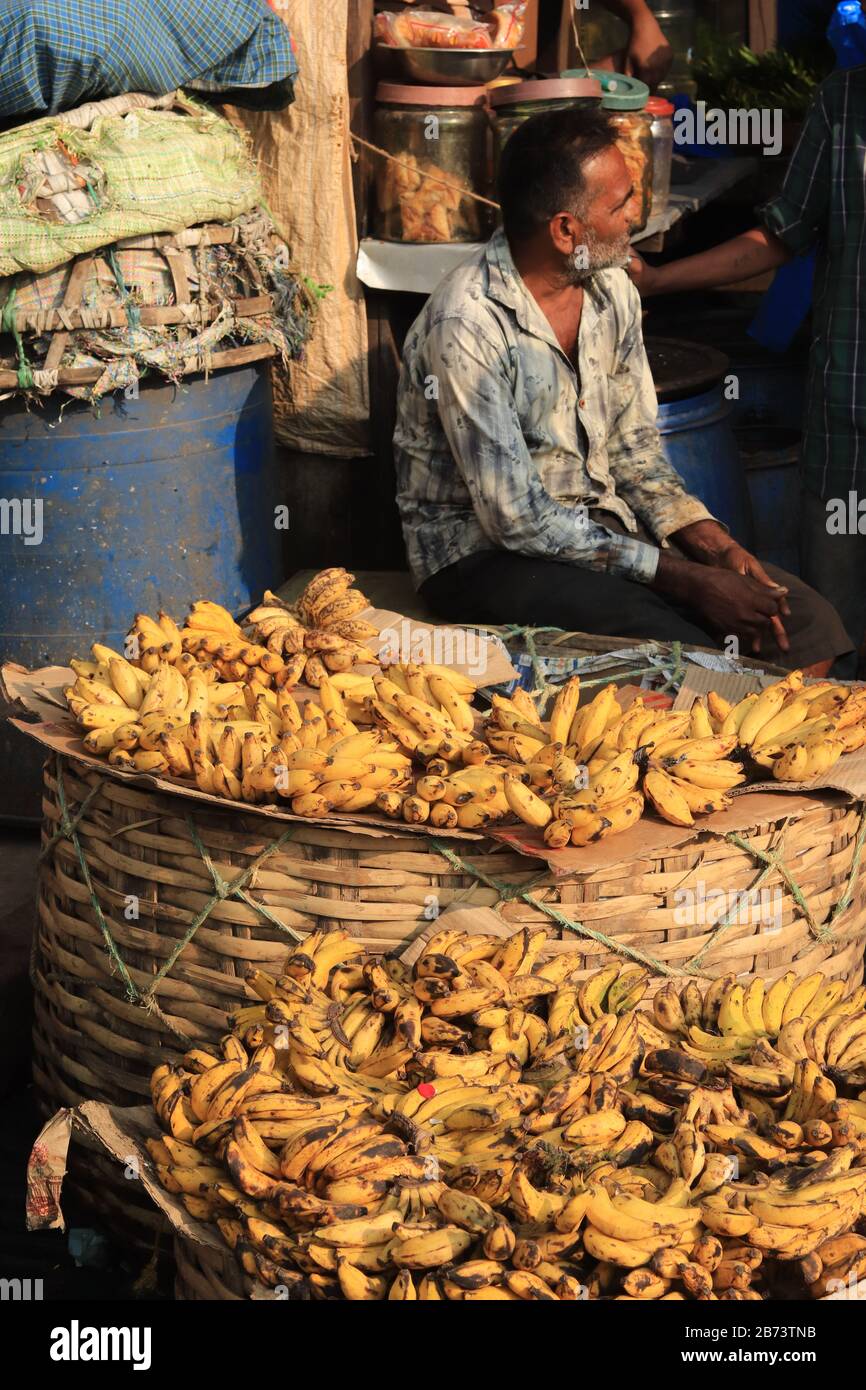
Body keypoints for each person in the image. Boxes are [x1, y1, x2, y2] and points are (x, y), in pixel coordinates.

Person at [393, 105, 851, 673]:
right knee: (694, 655)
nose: (635, 214)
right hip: (482, 556)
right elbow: (517, 521)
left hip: (600, 527)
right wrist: (685, 580)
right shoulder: (467, 324)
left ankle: (775, 753)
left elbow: (637, 454)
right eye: (620, 204)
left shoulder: (611, 290)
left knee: (802, 625)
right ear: (566, 230)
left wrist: (717, 549)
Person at [627, 64, 866, 669]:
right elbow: (782, 233)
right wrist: (657, 279)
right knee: (832, 639)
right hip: (850, 418)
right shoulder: (844, 99)